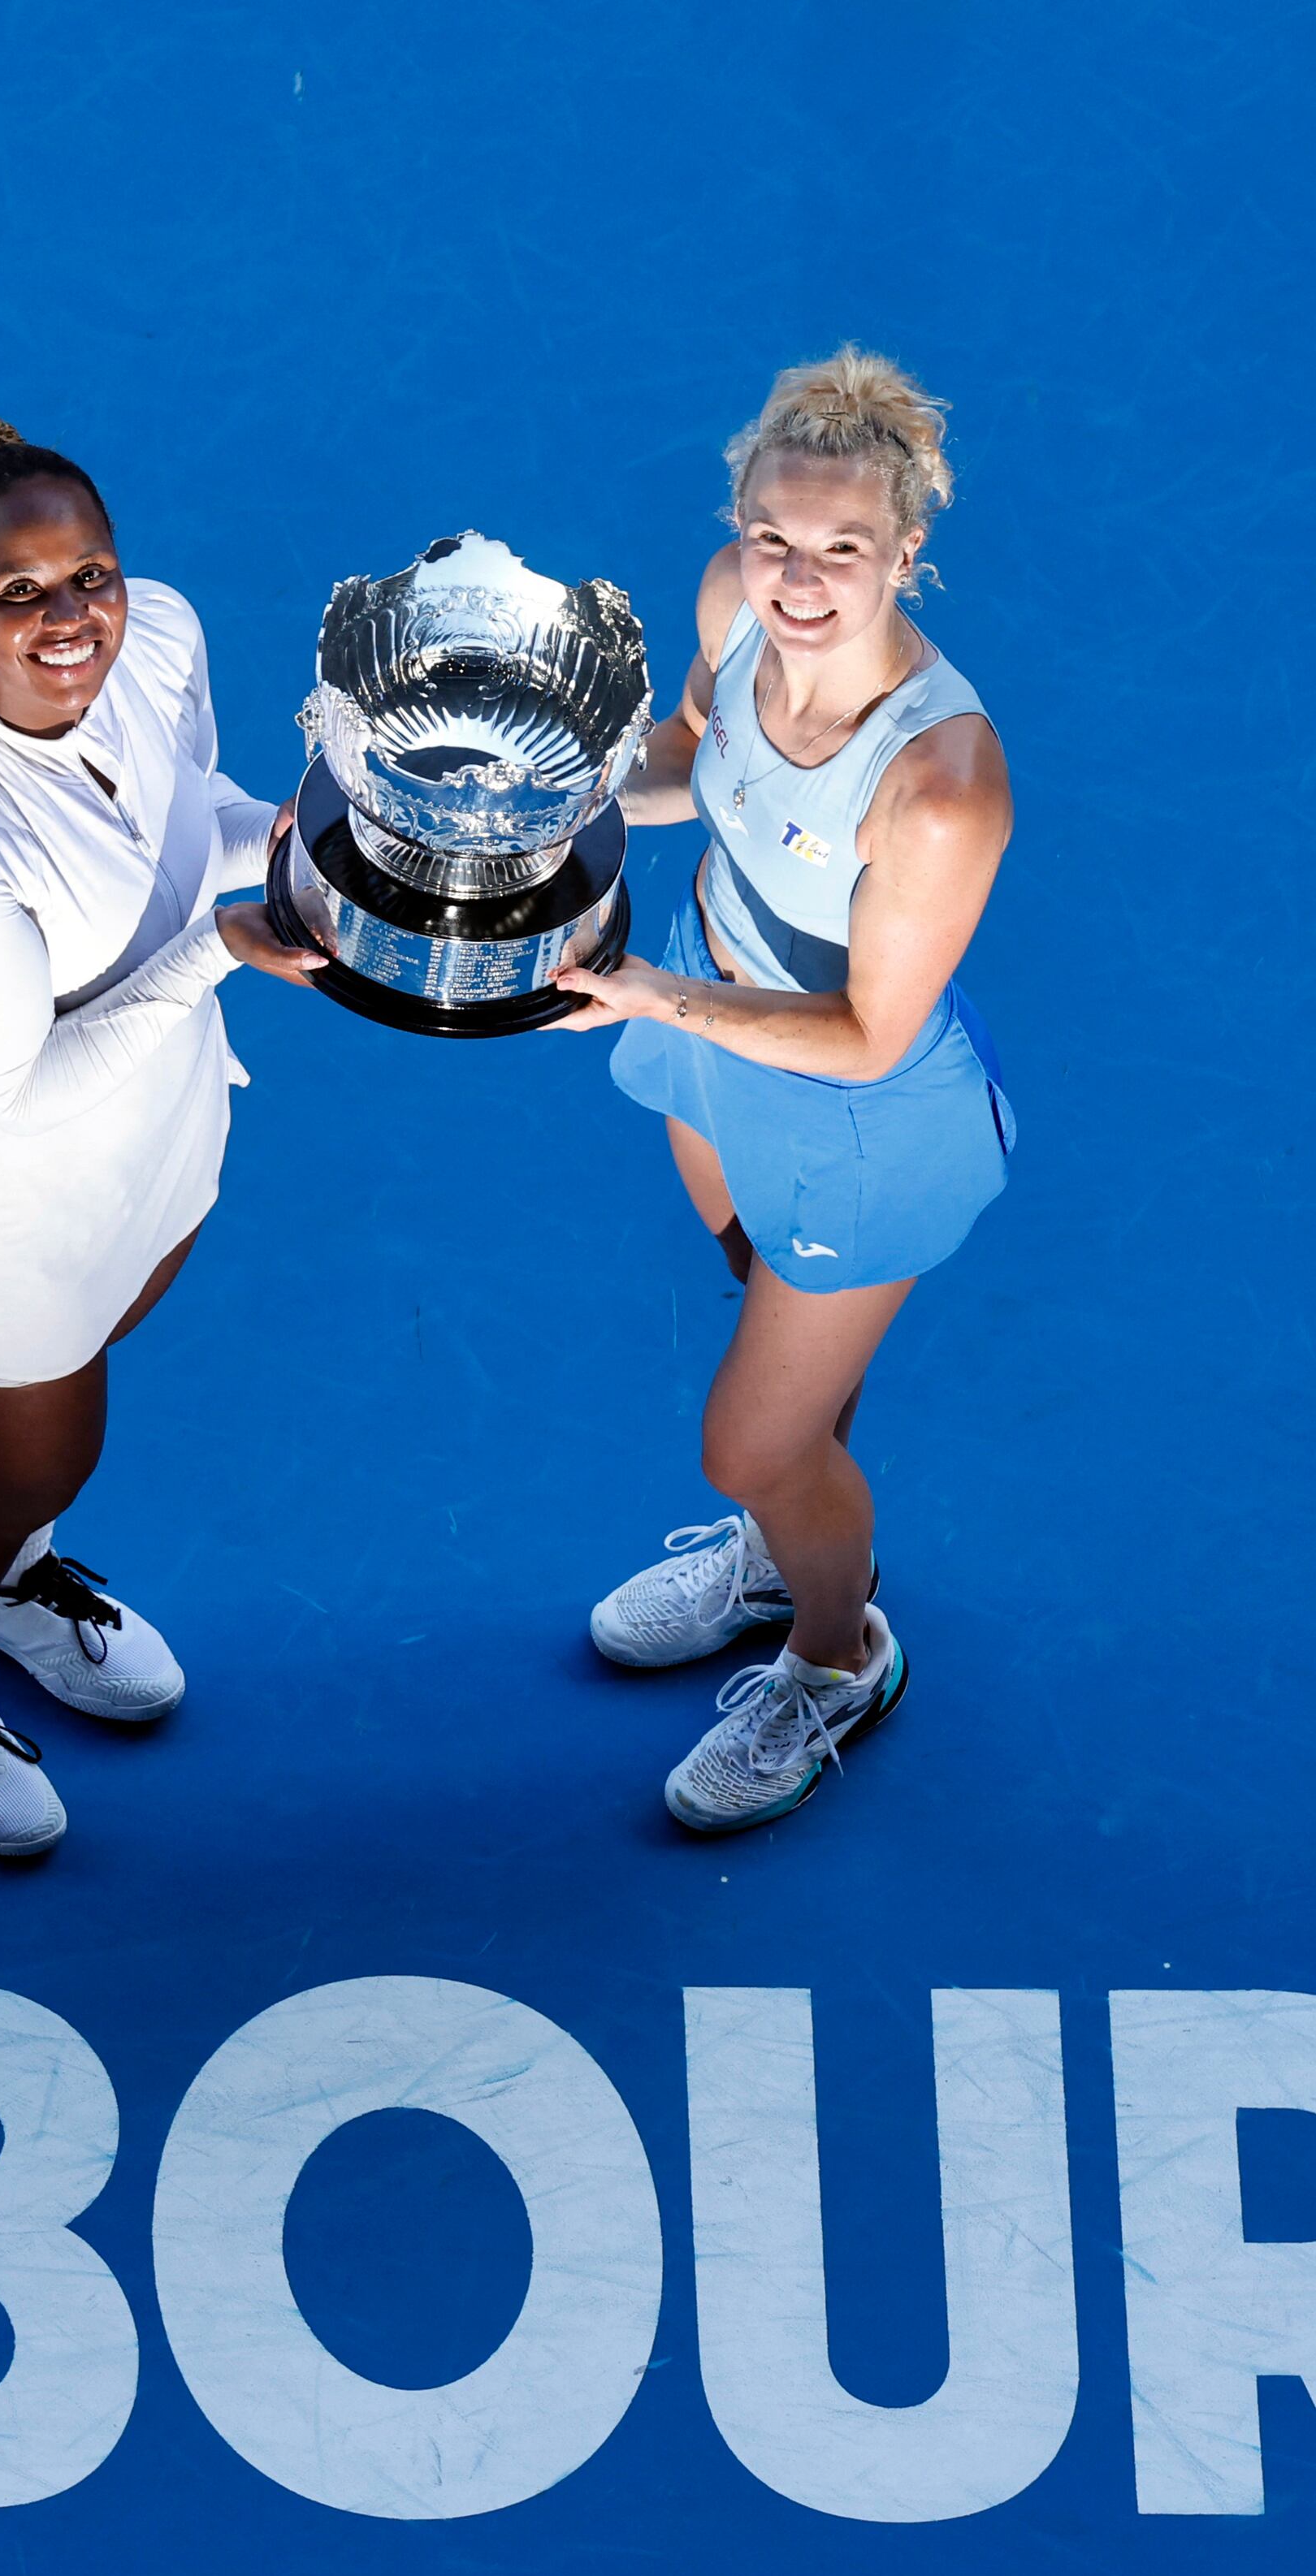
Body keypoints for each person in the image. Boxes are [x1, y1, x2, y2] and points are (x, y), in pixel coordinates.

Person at [0, 418, 320, 1855]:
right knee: (17, 1463)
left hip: (146, 1128)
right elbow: (15, 1088)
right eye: (19, 593)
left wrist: (299, 849)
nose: (71, 617)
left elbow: (189, 812)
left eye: (89, 574)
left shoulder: (155, 639)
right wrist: (224, 949)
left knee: (94, 1366)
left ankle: (13, 1583)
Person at [547, 349, 1016, 1831]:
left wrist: (651, 993)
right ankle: (793, 1528)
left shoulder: (940, 786)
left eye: (843, 552)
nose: (797, 583)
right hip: (713, 1003)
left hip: (853, 1112)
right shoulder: (726, 606)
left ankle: (835, 1649)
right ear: (740, 523)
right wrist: (521, 819)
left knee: (747, 1437)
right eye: (774, 541)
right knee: (766, 1317)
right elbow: (695, 759)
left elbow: (875, 1031)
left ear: (906, 553)